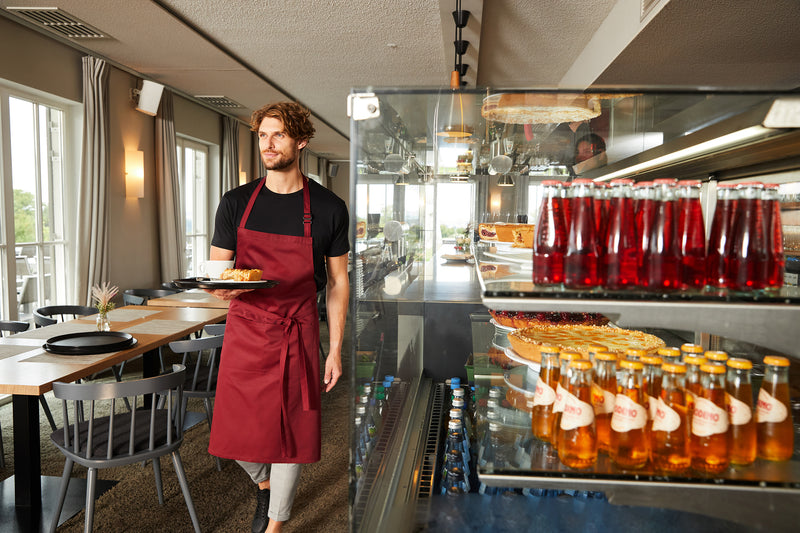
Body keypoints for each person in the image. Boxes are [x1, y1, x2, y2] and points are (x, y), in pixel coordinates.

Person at [205, 101, 350, 533]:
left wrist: (336, 349)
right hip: (246, 330)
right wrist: (219, 286)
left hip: (298, 330)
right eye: (263, 135)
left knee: (291, 433)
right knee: (233, 436)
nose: (268, 145)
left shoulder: (328, 208)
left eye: (279, 135)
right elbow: (218, 270)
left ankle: (275, 526)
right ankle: (264, 483)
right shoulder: (236, 203)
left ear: (301, 142)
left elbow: (339, 283)